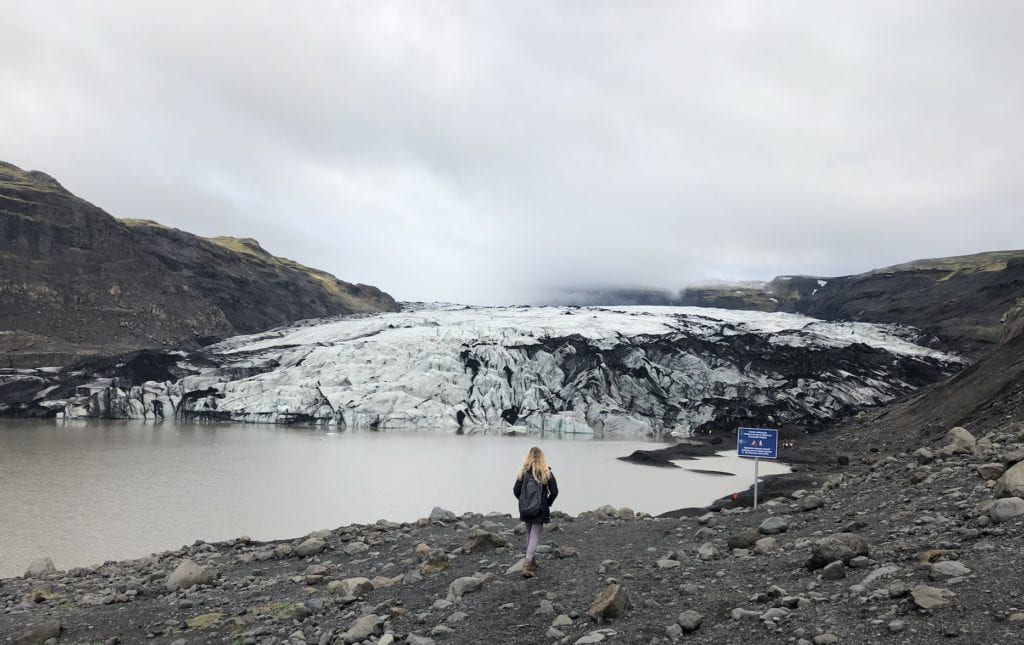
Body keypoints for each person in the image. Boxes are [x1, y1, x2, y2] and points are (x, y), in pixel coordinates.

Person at [513, 446, 559, 578]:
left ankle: (531, 560)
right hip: (540, 509)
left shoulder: (523, 472)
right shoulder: (546, 472)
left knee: (529, 533)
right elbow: (555, 491)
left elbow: (516, 491)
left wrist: (524, 501)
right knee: (534, 535)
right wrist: (548, 503)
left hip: (526, 509)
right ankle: (527, 564)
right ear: (542, 458)